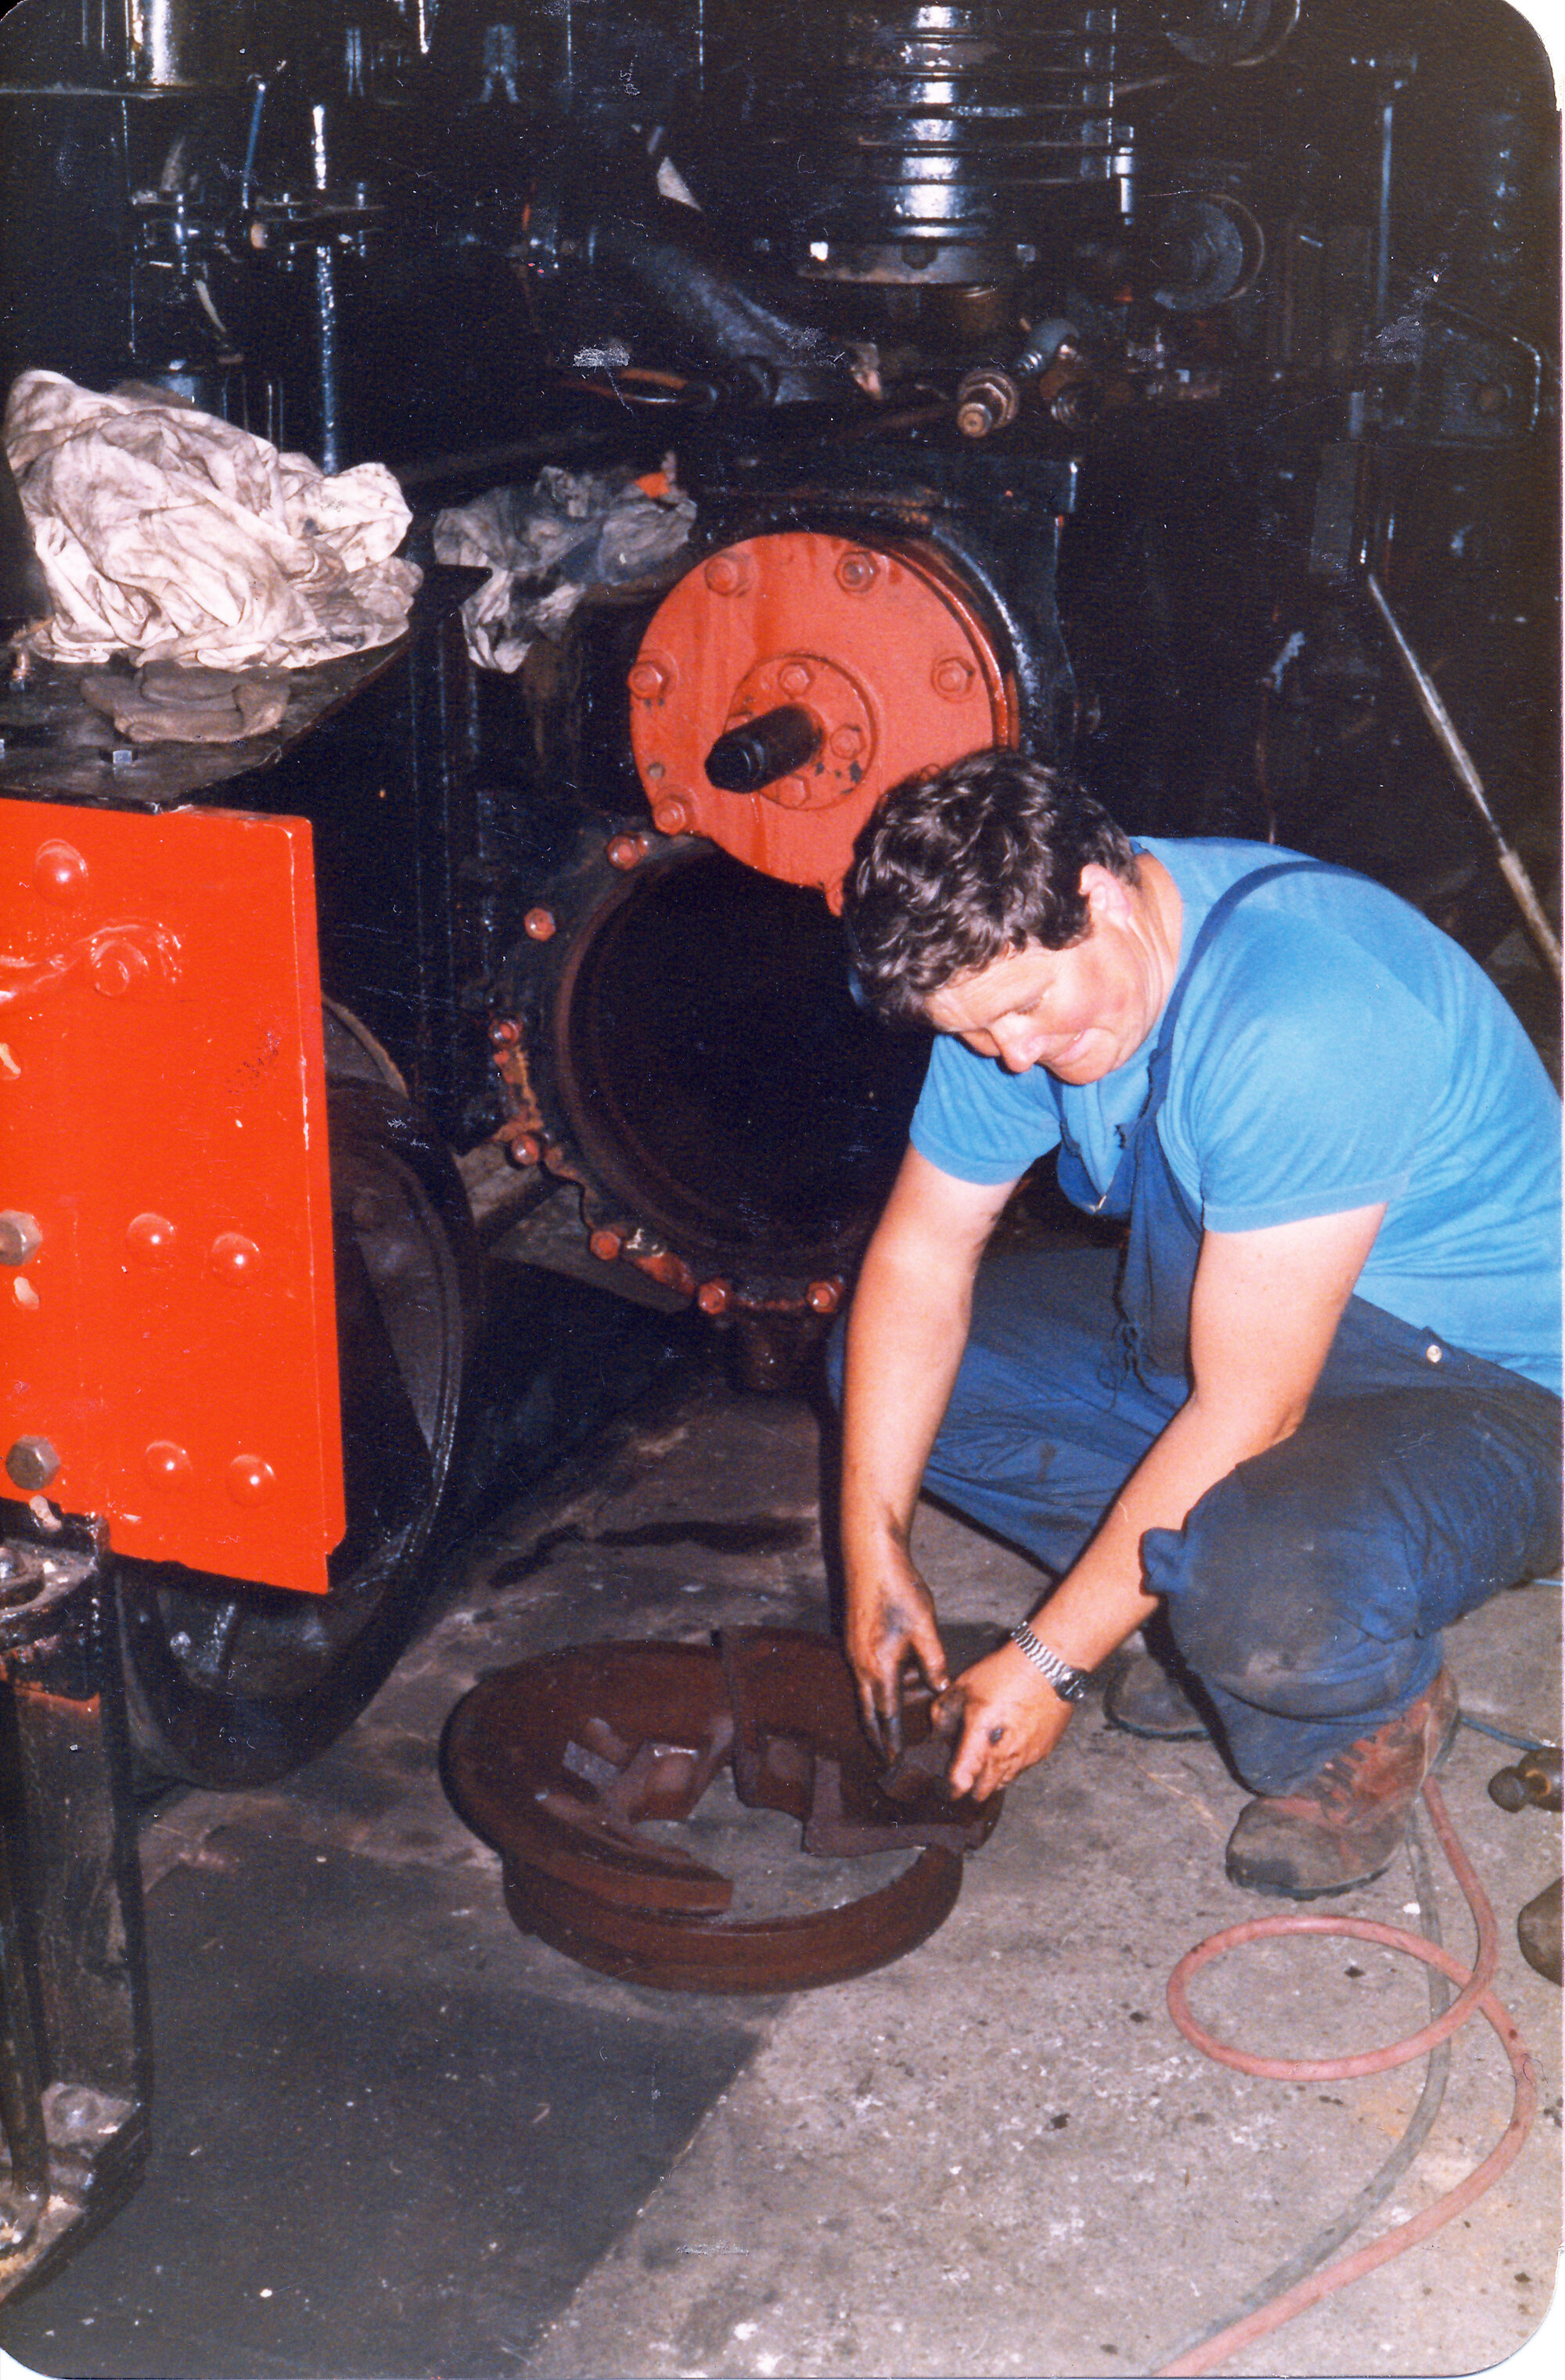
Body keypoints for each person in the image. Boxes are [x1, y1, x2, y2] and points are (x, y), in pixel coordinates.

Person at [835, 749, 1561, 1898]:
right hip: (1261, 1323)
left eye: (1025, 1011)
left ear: (1103, 893)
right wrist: (870, 1544)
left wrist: (1047, 1662)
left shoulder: (1298, 1013)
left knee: (1260, 1574)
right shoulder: (1005, 982)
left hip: (1486, 1390)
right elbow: (920, 1259)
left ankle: (1356, 1693)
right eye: (975, 1033)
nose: (1012, 1057)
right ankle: (1195, 1595)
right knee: (896, 1376)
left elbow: (1248, 1408)